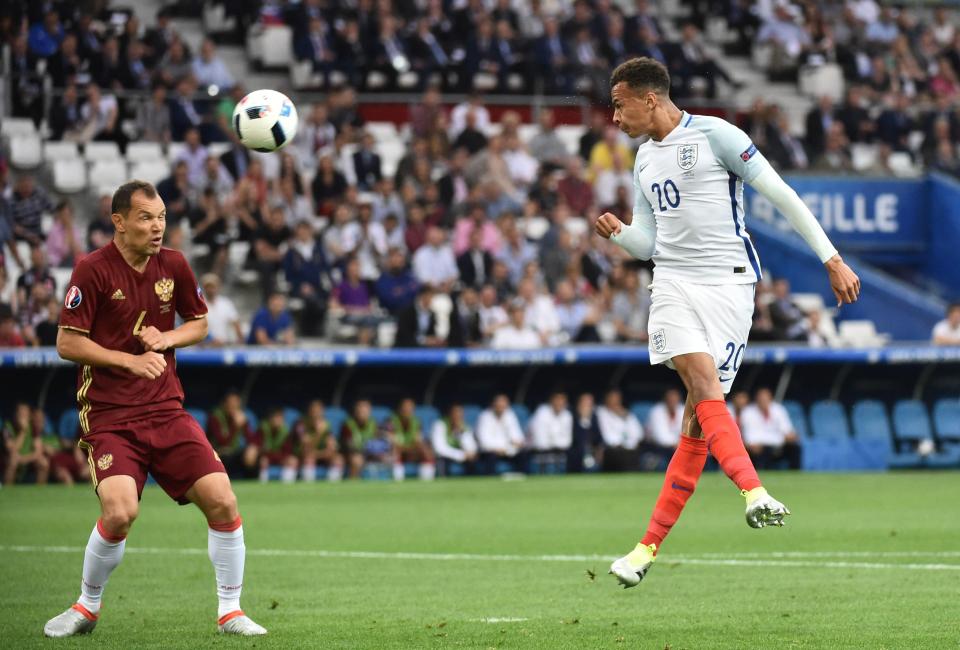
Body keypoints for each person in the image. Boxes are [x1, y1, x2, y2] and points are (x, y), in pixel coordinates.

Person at [595, 57, 860, 588]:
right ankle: (754, 491)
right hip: (671, 282)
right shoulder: (643, 161)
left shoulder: (716, 137)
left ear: (650, 99)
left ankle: (646, 549)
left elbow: (780, 193)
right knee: (699, 379)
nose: (615, 117)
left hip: (731, 286)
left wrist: (830, 257)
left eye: (620, 104)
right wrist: (622, 234)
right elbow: (650, 242)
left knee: (697, 421)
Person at [46, 180, 266, 636]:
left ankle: (230, 612)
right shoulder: (92, 270)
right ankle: (86, 607)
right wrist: (129, 360)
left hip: (166, 410)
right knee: (120, 512)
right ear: (119, 222)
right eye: (146, 217)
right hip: (109, 415)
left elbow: (200, 323)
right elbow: (67, 342)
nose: (157, 226)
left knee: (223, 501)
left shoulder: (175, 265)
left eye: (162, 216)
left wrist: (167, 339)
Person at [739, 388, 801, 470]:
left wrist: (790, 436)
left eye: (765, 399)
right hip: (759, 446)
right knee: (761, 451)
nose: (763, 401)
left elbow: (786, 430)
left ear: (770, 399)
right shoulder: (748, 412)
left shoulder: (778, 409)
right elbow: (749, 435)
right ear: (756, 399)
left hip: (778, 444)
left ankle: (795, 474)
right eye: (761, 399)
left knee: (795, 448)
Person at [206, 390, 257, 479]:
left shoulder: (239, 417)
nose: (234, 406)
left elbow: (250, 439)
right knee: (226, 454)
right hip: (216, 453)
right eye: (231, 402)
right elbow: (222, 442)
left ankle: (252, 482)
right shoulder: (214, 417)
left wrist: (245, 424)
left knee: (252, 450)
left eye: (236, 403)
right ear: (224, 404)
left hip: (233, 452)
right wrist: (235, 426)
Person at [386, 398, 436, 481]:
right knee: (395, 452)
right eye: (405, 407)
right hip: (394, 453)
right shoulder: (390, 421)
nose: (407, 410)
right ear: (399, 409)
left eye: (410, 408)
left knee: (426, 452)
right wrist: (406, 448)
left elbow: (418, 442)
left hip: (410, 451)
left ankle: (426, 482)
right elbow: (392, 443)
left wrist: (409, 449)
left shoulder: (417, 422)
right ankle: (397, 482)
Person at [293, 400, 343, 482]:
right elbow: (306, 448)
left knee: (338, 459)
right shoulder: (300, 425)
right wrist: (318, 433)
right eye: (314, 411)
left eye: (319, 412)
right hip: (303, 455)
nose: (316, 414)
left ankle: (333, 487)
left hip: (320, 454)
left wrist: (326, 451)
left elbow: (332, 447)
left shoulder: (326, 424)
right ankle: (308, 488)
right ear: (309, 412)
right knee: (309, 459)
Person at [475, 394, 526, 474]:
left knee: (523, 454)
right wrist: (500, 448)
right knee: (491, 457)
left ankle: (521, 477)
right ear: (493, 405)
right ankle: (490, 480)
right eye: (498, 405)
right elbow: (484, 442)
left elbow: (517, 437)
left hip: (508, 451)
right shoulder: (484, 417)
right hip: (490, 451)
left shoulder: (510, 415)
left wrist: (512, 446)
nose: (501, 407)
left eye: (503, 405)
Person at [595, 389, 643, 471]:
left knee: (634, 454)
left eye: (617, 398)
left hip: (630, 449)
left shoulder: (627, 414)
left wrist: (625, 418)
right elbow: (608, 437)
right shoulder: (601, 412)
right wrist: (622, 444)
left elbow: (639, 434)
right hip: (611, 450)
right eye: (612, 398)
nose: (615, 401)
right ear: (606, 399)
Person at [3, 402, 49, 485]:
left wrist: (24, 459)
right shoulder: (7, 427)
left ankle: (40, 491)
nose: (22, 417)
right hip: (8, 459)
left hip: (26, 459)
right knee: (12, 460)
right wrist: (22, 432)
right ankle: (8, 490)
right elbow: (11, 449)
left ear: (29, 416)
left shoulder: (33, 427)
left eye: (25, 414)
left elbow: (38, 451)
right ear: (15, 415)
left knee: (43, 462)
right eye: (20, 414)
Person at [340, 399, 387, 479]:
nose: (362, 413)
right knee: (357, 460)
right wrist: (366, 449)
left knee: (387, 457)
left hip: (370, 454)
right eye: (360, 410)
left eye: (365, 410)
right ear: (355, 411)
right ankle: (353, 483)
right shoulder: (348, 425)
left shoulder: (374, 423)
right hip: (351, 454)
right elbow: (348, 446)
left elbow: (380, 441)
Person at [527, 390, 573, 470]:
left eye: (562, 400)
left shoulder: (567, 415)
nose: (559, 403)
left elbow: (567, 442)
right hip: (537, 455)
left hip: (559, 455)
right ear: (551, 400)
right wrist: (556, 443)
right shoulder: (541, 412)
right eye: (557, 399)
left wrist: (554, 443)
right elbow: (541, 442)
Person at [251, 408, 298, 484]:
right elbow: (258, 447)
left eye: (280, 418)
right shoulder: (263, 429)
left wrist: (282, 458)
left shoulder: (286, 431)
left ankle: (288, 484)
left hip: (281, 458)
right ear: (270, 419)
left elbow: (288, 451)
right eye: (275, 418)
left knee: (292, 460)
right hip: (267, 457)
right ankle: (263, 483)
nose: (277, 421)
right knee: (263, 461)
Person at [430, 404, 478, 474]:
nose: (458, 417)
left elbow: (470, 447)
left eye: (460, 414)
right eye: (455, 414)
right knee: (442, 459)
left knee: (472, 460)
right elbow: (439, 449)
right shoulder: (440, 425)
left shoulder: (464, 427)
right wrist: (460, 455)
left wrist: (461, 433)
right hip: (445, 456)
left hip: (460, 455)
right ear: (449, 414)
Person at [643, 388, 684, 469]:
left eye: (675, 398)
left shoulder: (683, 409)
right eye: (670, 398)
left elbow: (687, 431)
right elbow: (660, 437)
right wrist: (678, 444)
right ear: (665, 399)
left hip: (678, 447)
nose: (673, 401)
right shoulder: (656, 411)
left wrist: (680, 444)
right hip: (656, 448)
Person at [200, 274, 243, 346]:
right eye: (208, 287)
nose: (210, 289)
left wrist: (240, 341)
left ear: (218, 287)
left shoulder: (226, 303)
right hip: (204, 348)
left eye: (212, 286)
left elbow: (236, 324)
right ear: (204, 288)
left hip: (224, 346)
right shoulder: (198, 305)